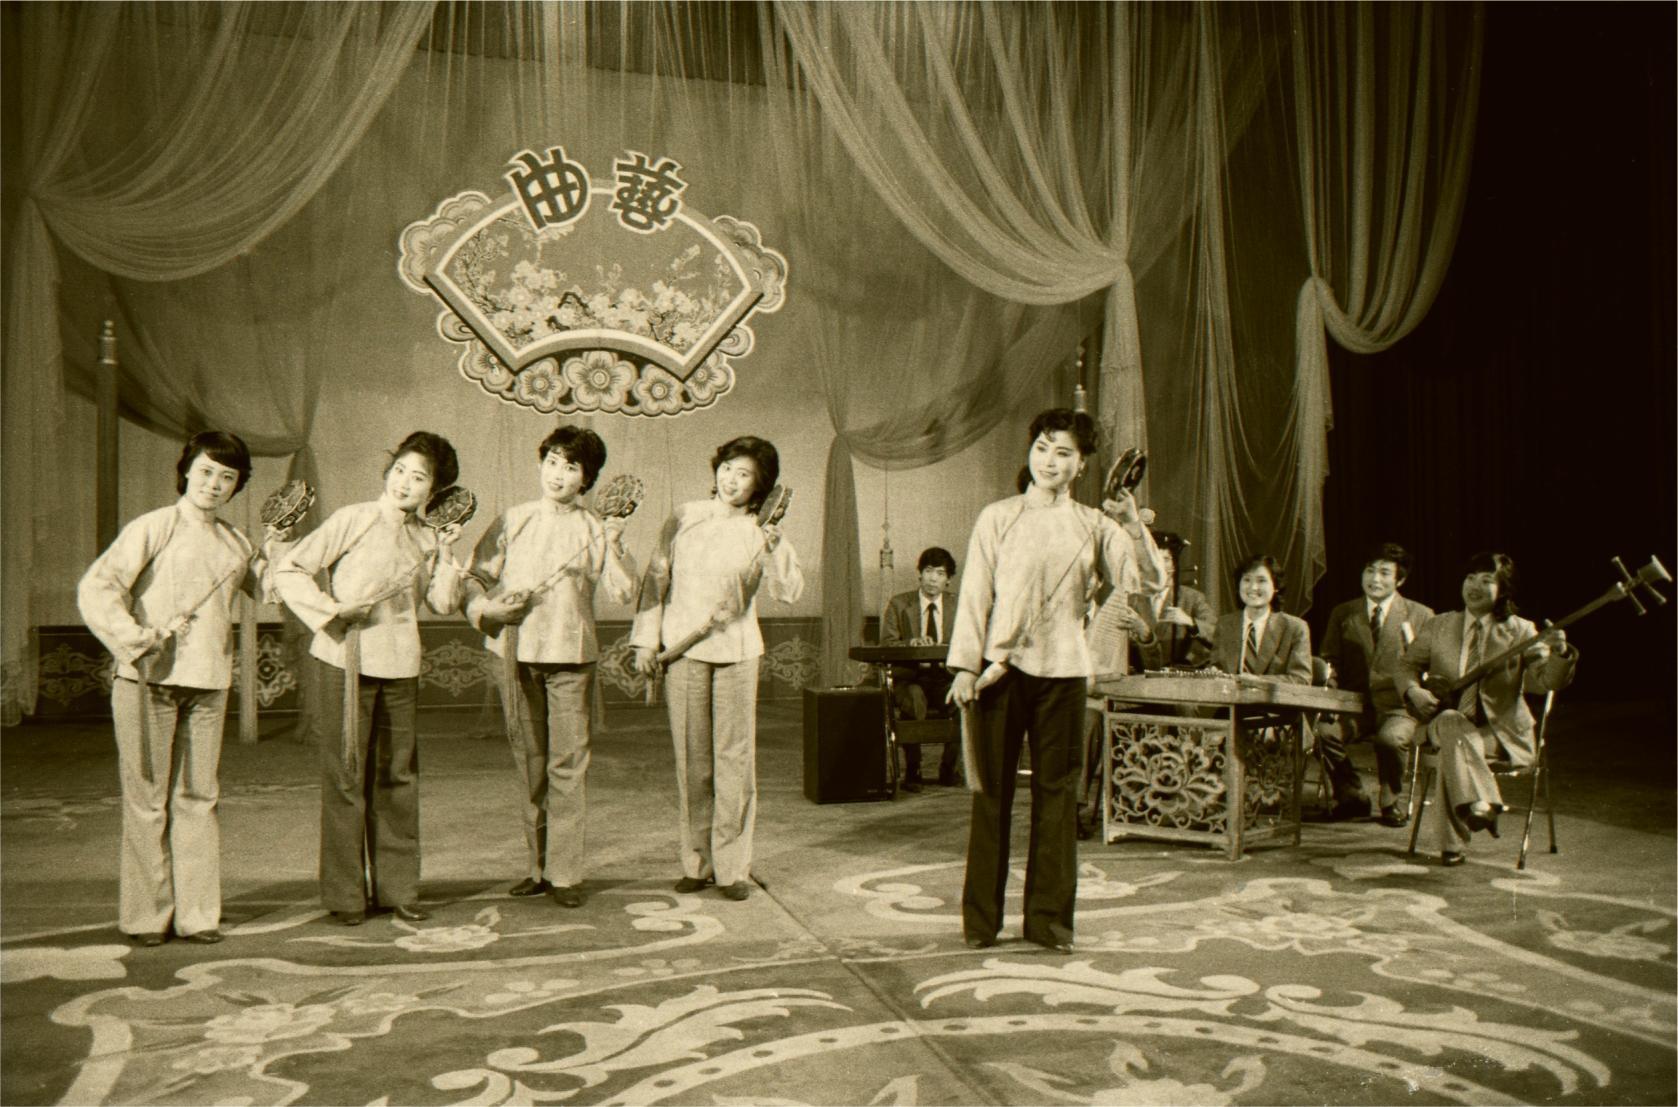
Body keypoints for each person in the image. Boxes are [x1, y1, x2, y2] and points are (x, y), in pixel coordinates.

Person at [948, 408, 1165, 954]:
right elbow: (974, 594)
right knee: (990, 798)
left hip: (1065, 674)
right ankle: (981, 923)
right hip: (1000, 675)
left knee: (1057, 800)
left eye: (1064, 452)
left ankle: (1049, 923)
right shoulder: (998, 517)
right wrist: (966, 667)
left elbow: (1149, 581)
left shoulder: (1095, 524)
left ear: (1082, 465)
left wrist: (1131, 523)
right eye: (1043, 447)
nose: (1049, 460)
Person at [78, 431, 289, 947]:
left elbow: (272, 590)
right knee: (147, 800)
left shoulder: (235, 542)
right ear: (187, 469)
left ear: (236, 486)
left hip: (209, 683)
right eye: (206, 470)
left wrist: (280, 545)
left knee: (198, 797)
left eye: (227, 477)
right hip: (148, 680)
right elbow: (98, 588)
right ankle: (146, 917)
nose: (213, 484)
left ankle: (197, 916)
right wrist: (134, 636)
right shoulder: (153, 527)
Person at [274, 431, 466, 926]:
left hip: (401, 663)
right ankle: (345, 896)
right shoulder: (353, 518)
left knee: (398, 776)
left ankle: (398, 889)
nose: (404, 482)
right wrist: (332, 609)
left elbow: (443, 603)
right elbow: (289, 570)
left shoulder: (428, 539)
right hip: (346, 658)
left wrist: (447, 555)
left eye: (418, 478)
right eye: (400, 470)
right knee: (345, 776)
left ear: (434, 491)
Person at [463, 426, 636, 909]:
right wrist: (489, 606)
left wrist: (615, 542)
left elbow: (625, 591)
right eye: (552, 462)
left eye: (571, 467)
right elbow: (475, 576)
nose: (558, 474)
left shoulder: (595, 528)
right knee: (530, 761)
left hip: (571, 657)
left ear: (587, 479)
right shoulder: (513, 519)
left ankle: (565, 874)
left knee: (568, 765)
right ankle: (536, 868)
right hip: (514, 653)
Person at [631, 436, 803, 901]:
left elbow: (789, 592)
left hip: (739, 652)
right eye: (727, 468)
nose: (731, 480)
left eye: (744, 474)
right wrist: (645, 640)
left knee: (735, 762)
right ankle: (697, 862)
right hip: (683, 650)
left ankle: (732, 868)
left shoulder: (761, 531)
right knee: (693, 762)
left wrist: (775, 547)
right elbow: (655, 578)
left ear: (759, 486)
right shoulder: (685, 516)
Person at [1396, 552, 1575, 866]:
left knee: (1454, 747)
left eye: (1486, 580)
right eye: (1470, 578)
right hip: (1444, 722)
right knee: (1451, 722)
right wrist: (1413, 690)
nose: (1474, 586)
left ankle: (1453, 844)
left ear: (1502, 589)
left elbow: (1545, 682)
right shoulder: (1440, 625)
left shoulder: (1521, 631)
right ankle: (1484, 803)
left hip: (1500, 733)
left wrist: (1559, 653)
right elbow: (1405, 666)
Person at [1316, 542, 1435, 826]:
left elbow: (1429, 667)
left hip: (1399, 706)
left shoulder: (1421, 615)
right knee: (1322, 733)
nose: (1375, 579)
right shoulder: (1343, 613)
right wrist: (1328, 697)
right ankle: (1352, 795)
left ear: (1400, 580)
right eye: (1370, 571)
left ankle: (1390, 800)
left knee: (1390, 740)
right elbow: (1330, 660)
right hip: (1353, 704)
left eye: (1384, 573)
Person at [879, 546, 960, 791]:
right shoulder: (899, 604)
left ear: (948, 580)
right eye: (929, 571)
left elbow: (970, 642)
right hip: (910, 679)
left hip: (945, 678)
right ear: (920, 574)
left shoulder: (958, 605)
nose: (933, 579)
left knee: (963, 699)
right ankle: (913, 768)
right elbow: (886, 645)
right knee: (914, 698)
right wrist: (910, 643)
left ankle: (949, 768)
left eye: (940, 573)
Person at [1208, 554, 1312, 683]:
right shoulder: (1224, 624)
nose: (1253, 587)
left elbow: (1301, 679)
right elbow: (1217, 667)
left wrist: (1258, 681)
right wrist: (1213, 672)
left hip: (1272, 697)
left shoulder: (1295, 628)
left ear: (1276, 587)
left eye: (1261, 580)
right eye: (1247, 580)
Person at [1128, 530, 1217, 671]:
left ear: (1174, 565)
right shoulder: (1133, 600)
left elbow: (1216, 634)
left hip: (1179, 677)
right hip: (1140, 677)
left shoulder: (1192, 598)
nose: (1159, 566)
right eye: (1153, 559)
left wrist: (1190, 622)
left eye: (1165, 559)